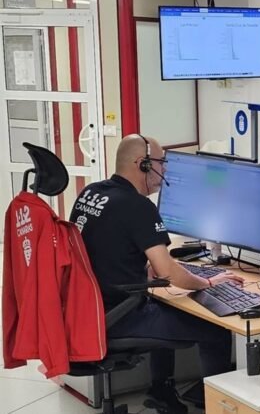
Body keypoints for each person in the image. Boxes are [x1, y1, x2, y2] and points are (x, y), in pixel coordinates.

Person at [70, 134, 244, 414]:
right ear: (143, 164)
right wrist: (209, 281)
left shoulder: (91, 192)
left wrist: (139, 266)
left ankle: (161, 390)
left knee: (163, 305)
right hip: (119, 317)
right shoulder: (138, 206)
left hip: (88, 311)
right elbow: (168, 272)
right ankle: (216, 406)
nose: (166, 171)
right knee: (216, 329)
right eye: (162, 163)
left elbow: (102, 245)